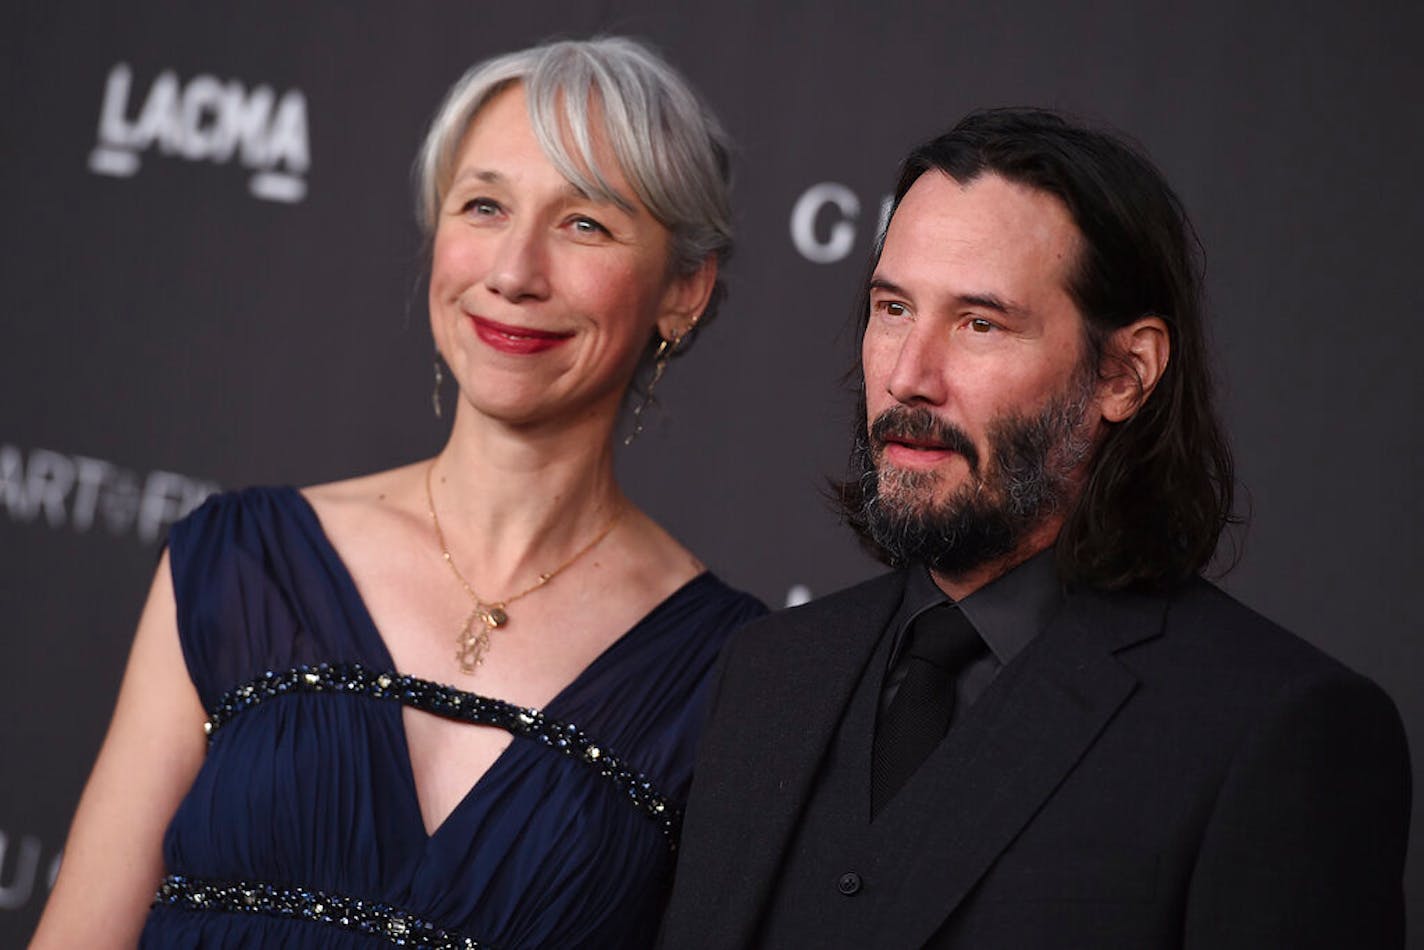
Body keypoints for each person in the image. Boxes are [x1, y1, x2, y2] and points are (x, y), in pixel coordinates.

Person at [32, 36, 765, 949]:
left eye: (586, 224)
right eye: (484, 206)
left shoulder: (739, 674)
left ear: (684, 291)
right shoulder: (238, 562)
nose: (514, 272)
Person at [659, 108, 1410, 948]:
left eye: (980, 323)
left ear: (1125, 375)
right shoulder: (767, 674)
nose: (909, 375)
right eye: (893, 307)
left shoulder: (1275, 733)